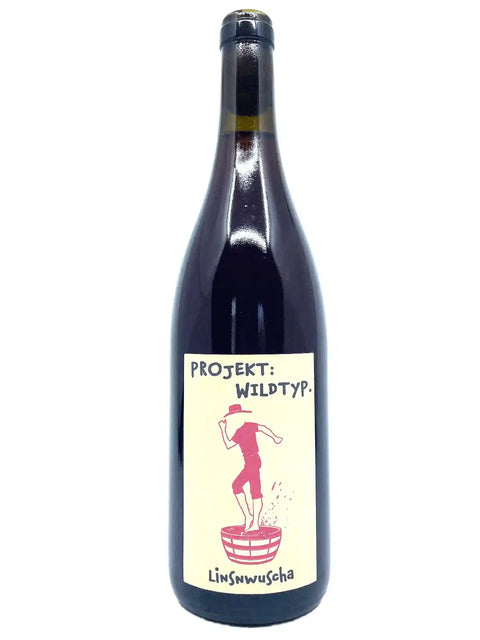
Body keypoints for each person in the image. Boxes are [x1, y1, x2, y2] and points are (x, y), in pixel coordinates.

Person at [218, 403, 283, 533]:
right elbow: (229, 445)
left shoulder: (249, 426)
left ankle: (255, 523)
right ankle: (249, 516)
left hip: (253, 460)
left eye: (236, 416)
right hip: (250, 462)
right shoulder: (238, 432)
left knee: (254, 491)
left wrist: (275, 438)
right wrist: (223, 429)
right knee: (237, 485)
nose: (234, 419)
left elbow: (263, 428)